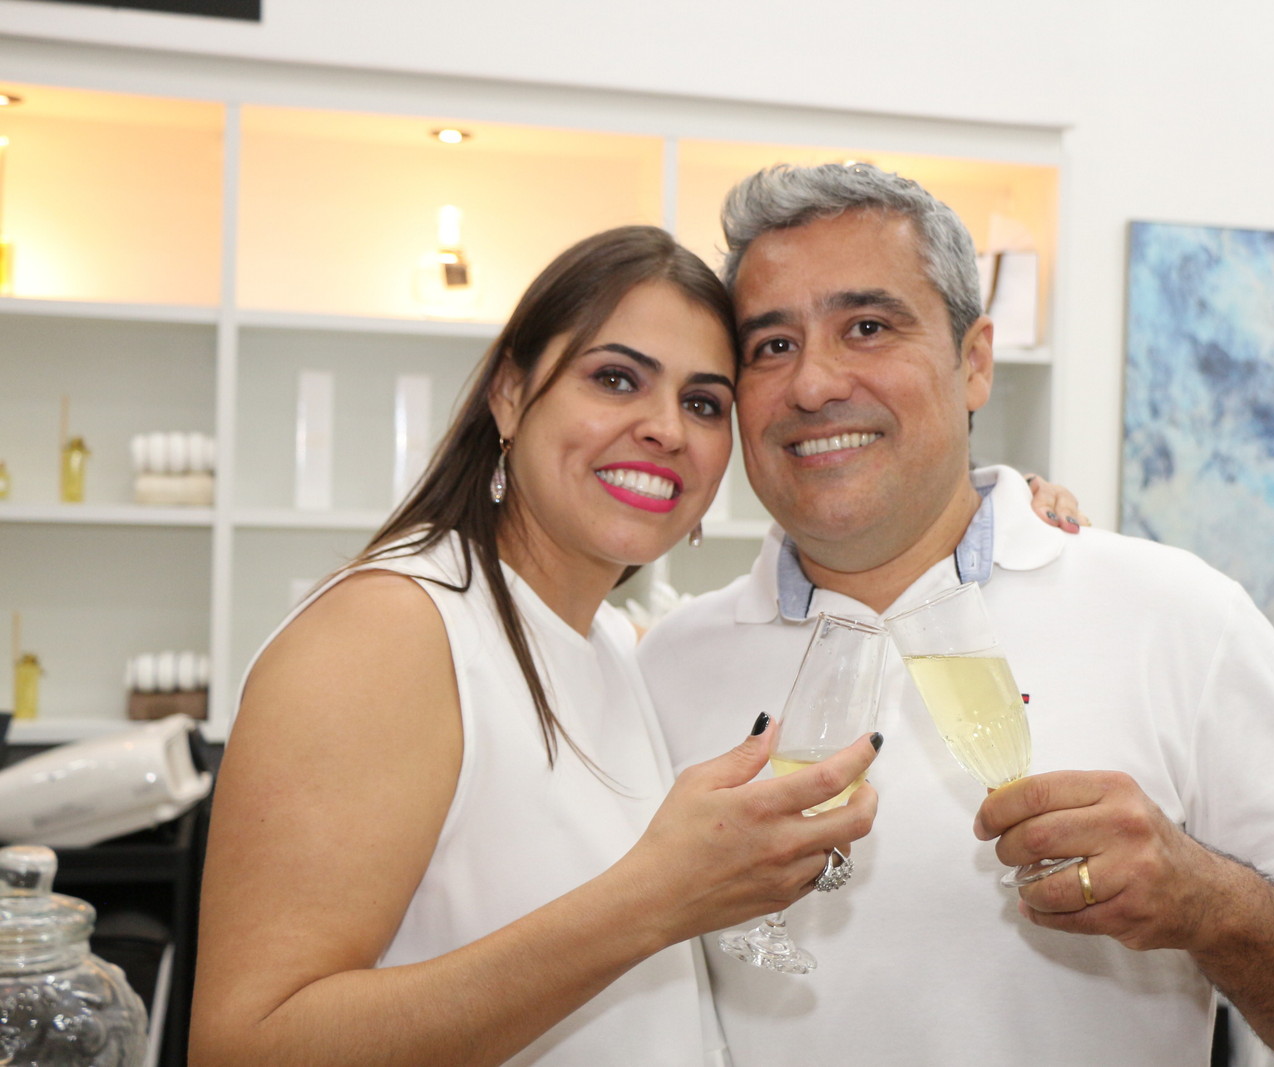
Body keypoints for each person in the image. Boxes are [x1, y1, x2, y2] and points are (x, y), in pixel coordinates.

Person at [638, 164, 1274, 1067]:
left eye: (867, 326)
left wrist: (1208, 900)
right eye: (772, 344)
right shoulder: (665, 665)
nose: (814, 382)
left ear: (975, 361)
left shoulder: (1178, 615)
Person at [189, 226, 886, 1067]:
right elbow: (248, 1045)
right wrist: (655, 899)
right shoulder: (390, 631)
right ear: (511, 394)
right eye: (616, 378)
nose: (665, 428)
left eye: (704, 403)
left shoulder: (613, 644)